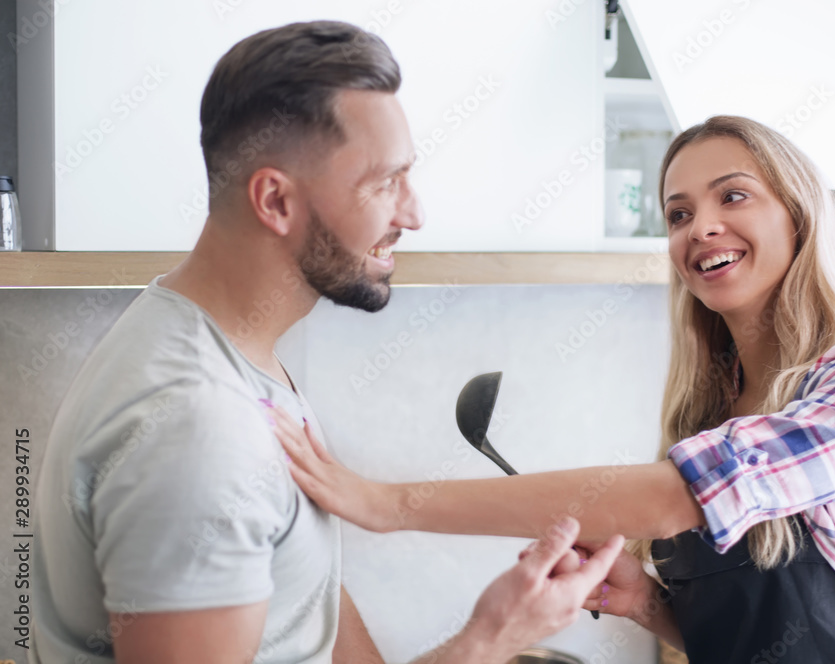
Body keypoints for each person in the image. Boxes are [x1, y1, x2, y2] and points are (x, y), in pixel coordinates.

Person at [31, 21, 624, 664]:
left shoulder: (231, 349)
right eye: (384, 182)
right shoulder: (199, 428)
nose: (414, 213)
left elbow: (300, 600)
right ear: (276, 201)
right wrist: (491, 637)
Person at [273, 116, 835, 664]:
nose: (701, 227)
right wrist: (644, 603)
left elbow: (672, 498)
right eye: (678, 214)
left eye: (733, 196)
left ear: (800, 217)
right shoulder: (709, 412)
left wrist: (386, 504)